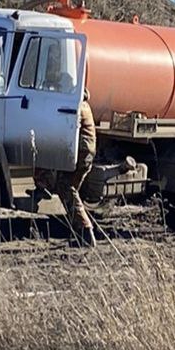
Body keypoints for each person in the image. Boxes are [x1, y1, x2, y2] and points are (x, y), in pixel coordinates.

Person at [54, 90, 97, 247]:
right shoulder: (84, 105)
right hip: (85, 152)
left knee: (67, 188)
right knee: (69, 191)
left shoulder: (78, 106)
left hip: (81, 152)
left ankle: (86, 231)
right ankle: (79, 231)